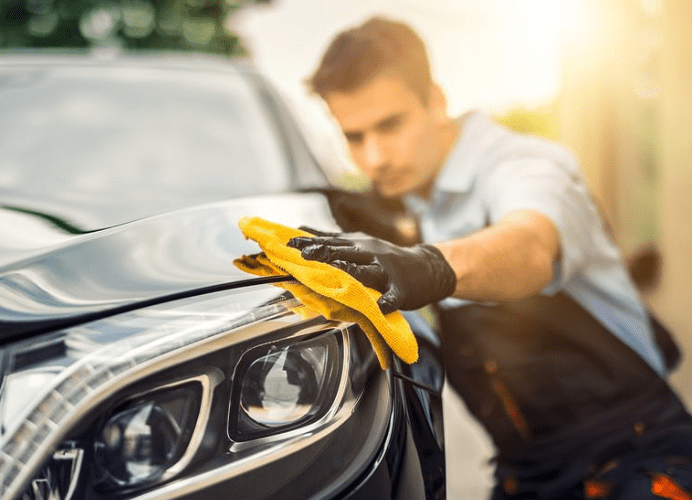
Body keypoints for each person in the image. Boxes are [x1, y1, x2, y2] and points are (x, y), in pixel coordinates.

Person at [288, 16, 692, 499]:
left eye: (390, 125)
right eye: (354, 137)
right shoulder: (412, 201)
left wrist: (429, 266)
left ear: (436, 101)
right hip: (526, 473)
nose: (374, 158)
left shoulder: (525, 165)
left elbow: (530, 245)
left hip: (637, 457)